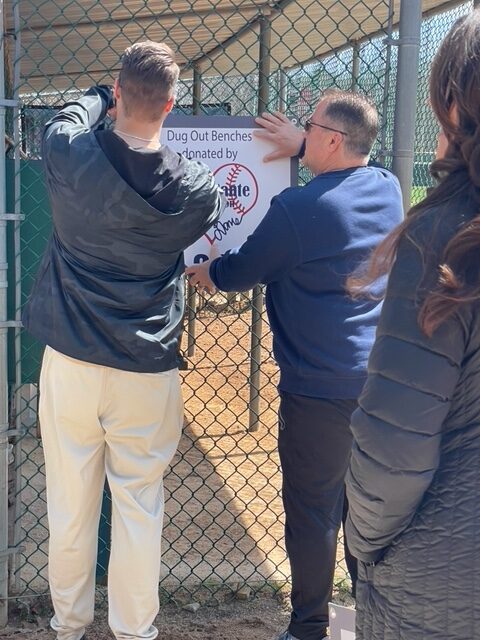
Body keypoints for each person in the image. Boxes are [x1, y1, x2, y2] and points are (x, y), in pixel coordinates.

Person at [22, 42, 224, 640]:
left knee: (69, 503)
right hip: (144, 362)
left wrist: (98, 97)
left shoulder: (69, 154)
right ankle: (135, 631)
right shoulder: (196, 189)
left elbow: (65, 119)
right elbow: (182, 182)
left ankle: (69, 625)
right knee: (139, 504)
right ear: (170, 103)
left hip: (74, 360)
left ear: (117, 90)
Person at [186, 89, 403, 640]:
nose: (302, 133)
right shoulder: (387, 188)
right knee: (366, 506)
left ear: (331, 139)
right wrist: (304, 140)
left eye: (311, 127)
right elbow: (349, 159)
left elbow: (238, 271)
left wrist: (207, 270)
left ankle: (308, 626)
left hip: (320, 388)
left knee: (312, 510)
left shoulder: (301, 209)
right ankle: (375, 618)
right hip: (379, 384)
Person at [344, 10, 480, 640]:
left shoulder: (446, 238)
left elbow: (393, 447)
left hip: (440, 580)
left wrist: (365, 544)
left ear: (455, 106)